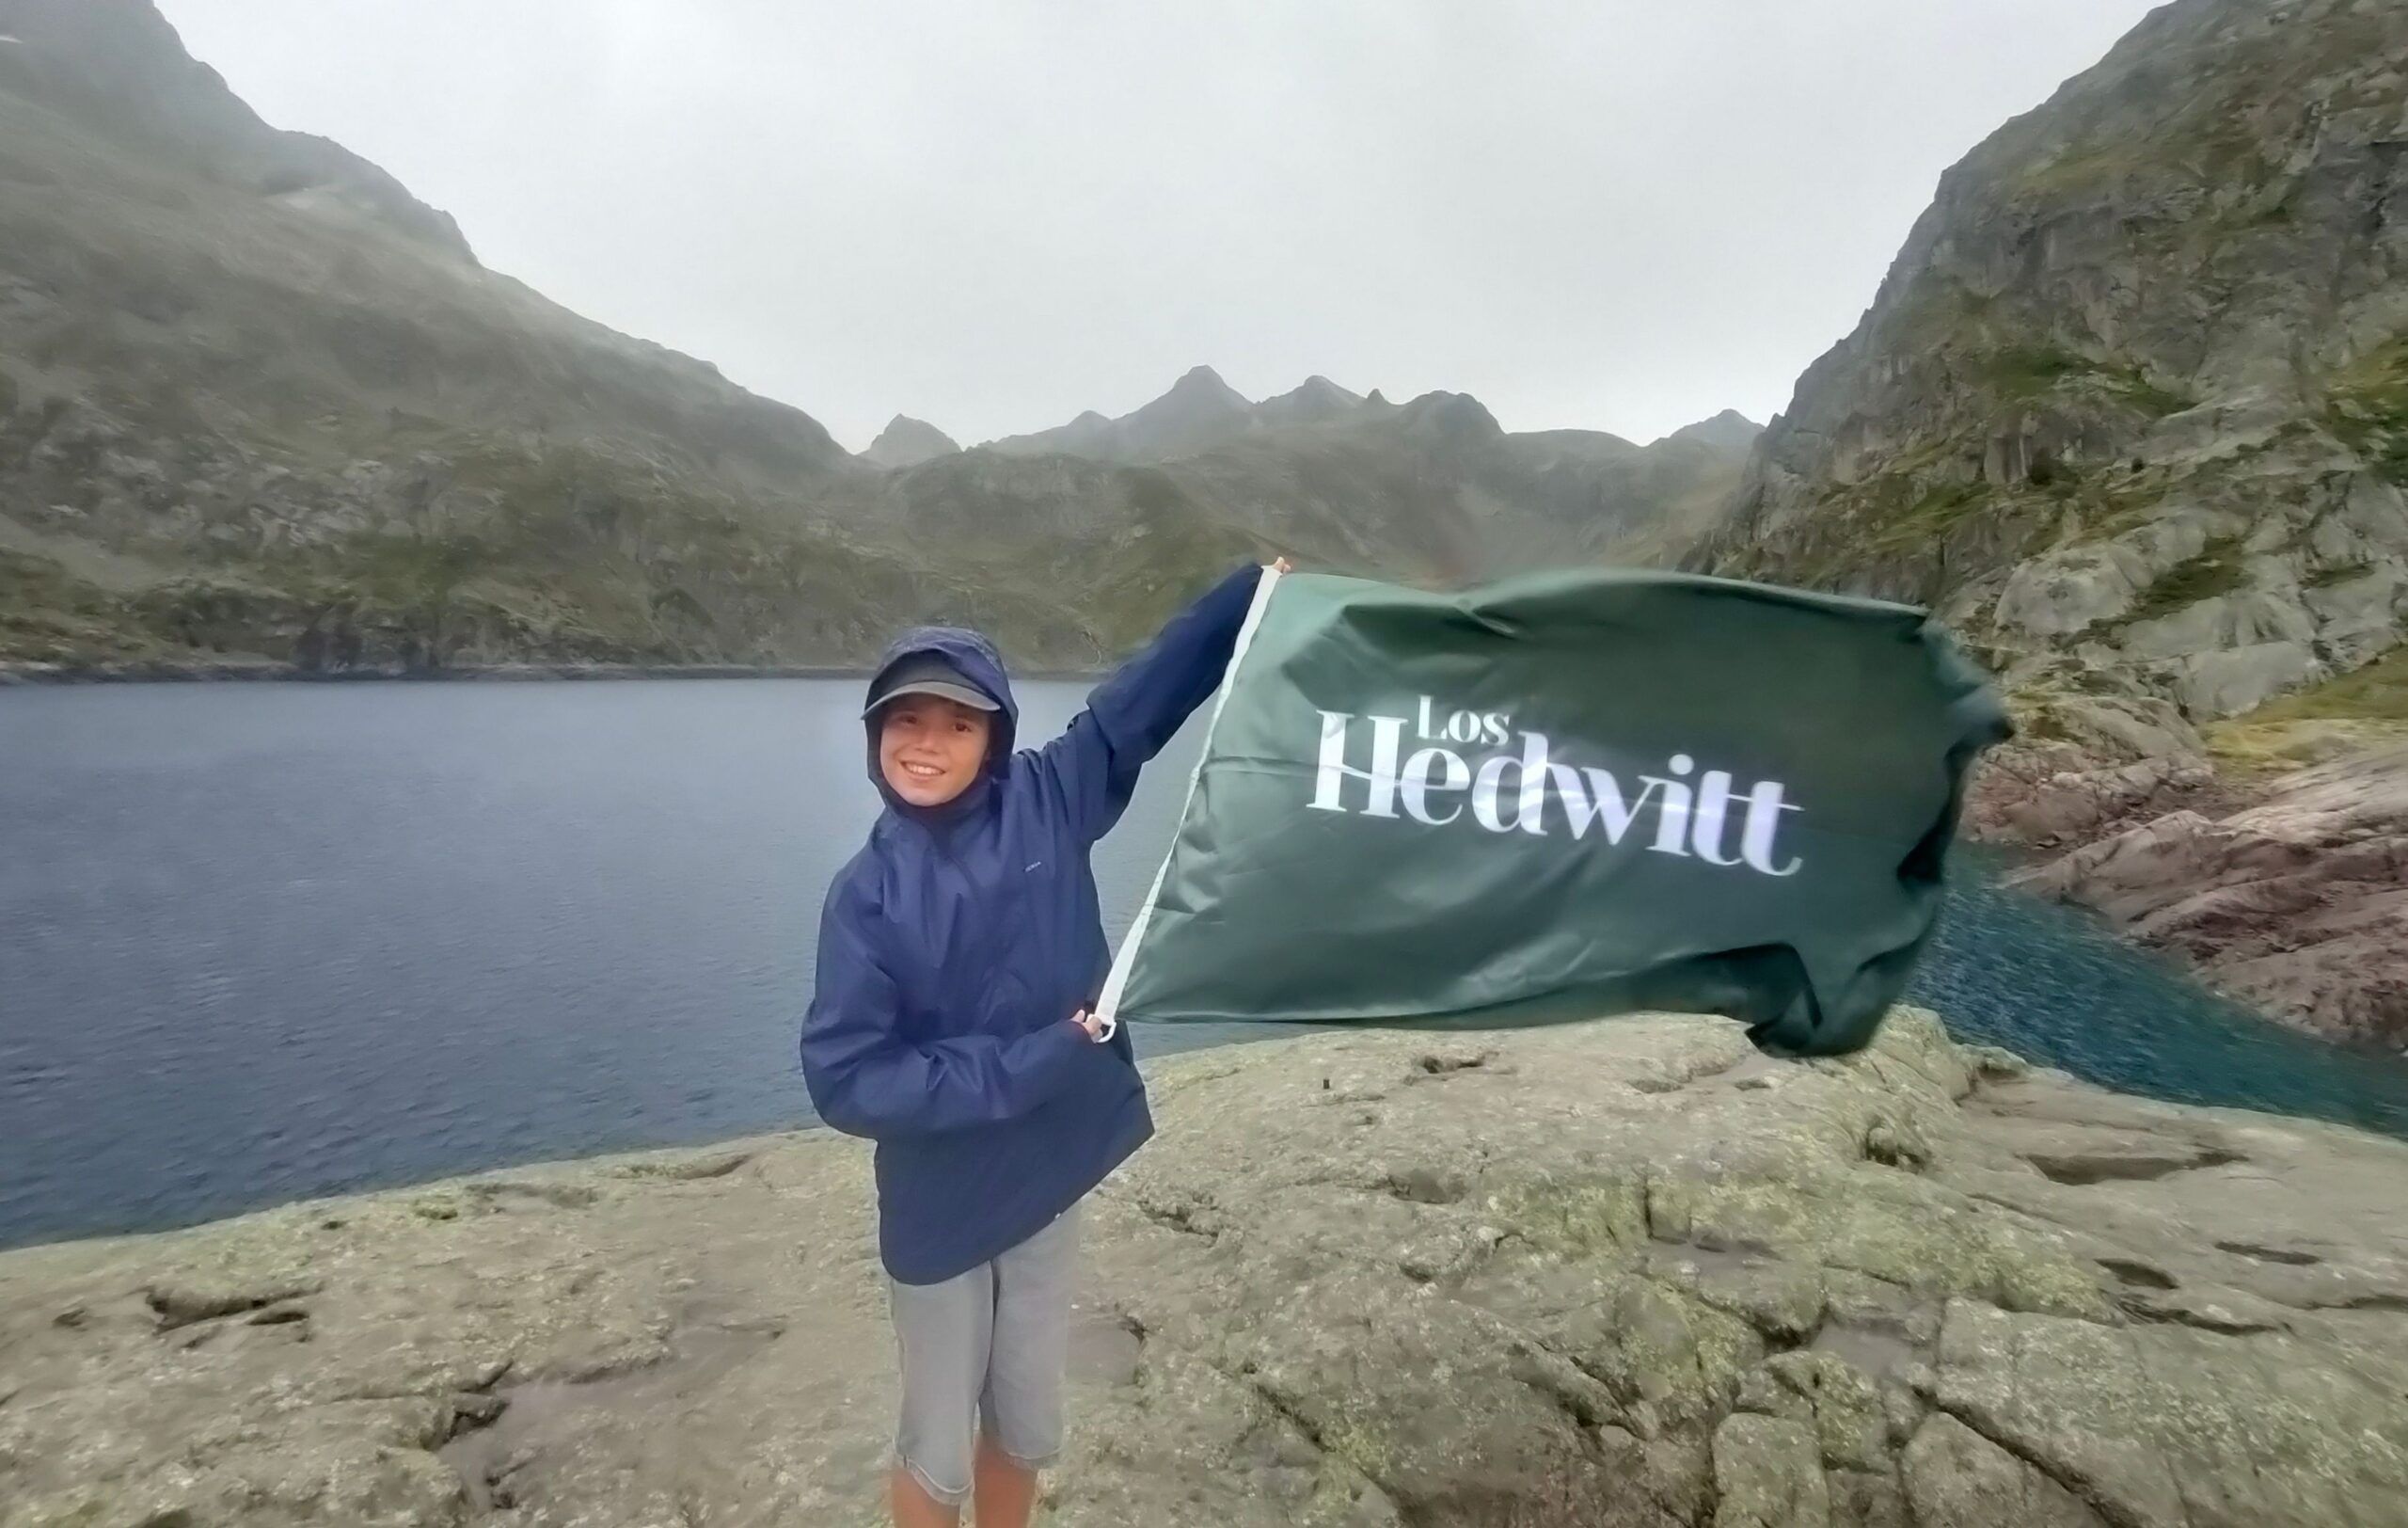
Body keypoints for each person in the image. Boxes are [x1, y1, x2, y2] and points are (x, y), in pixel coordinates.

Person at [800, 558, 1287, 1528]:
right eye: (906, 720)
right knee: (937, 1445)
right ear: (875, 736)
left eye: (957, 722)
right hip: (941, 1207)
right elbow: (848, 1077)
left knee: (1023, 1422)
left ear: (994, 736)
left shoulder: (1048, 799)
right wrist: (1032, 1064)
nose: (928, 743)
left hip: (1047, 1177)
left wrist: (1247, 597)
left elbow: (1134, 707)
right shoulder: (866, 894)